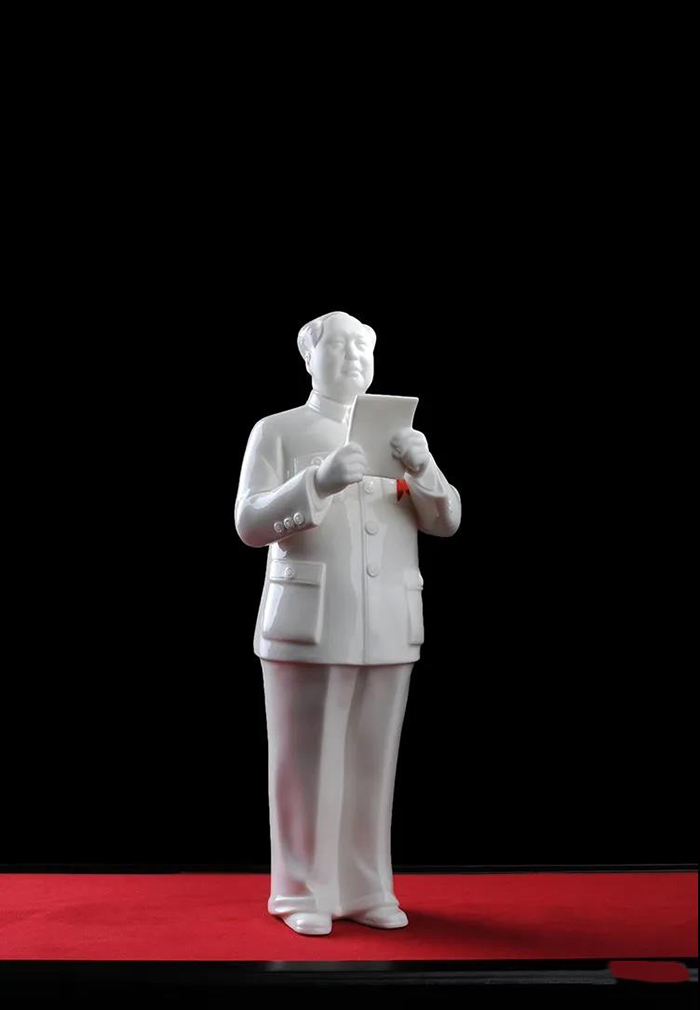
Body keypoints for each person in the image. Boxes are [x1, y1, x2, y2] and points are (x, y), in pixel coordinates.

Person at [235, 311, 461, 935]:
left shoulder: (401, 435)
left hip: (387, 621)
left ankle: (365, 886)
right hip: (308, 621)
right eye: (338, 346)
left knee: (372, 764)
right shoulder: (279, 430)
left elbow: (445, 521)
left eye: (364, 345)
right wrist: (318, 481)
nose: (354, 356)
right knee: (305, 766)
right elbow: (249, 522)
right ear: (309, 358)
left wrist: (424, 470)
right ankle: (300, 892)